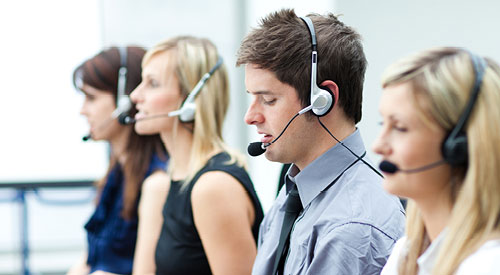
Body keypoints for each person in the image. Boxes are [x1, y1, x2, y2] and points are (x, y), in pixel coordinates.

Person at [237, 9, 405, 275]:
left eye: (268, 100)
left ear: (322, 100)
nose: (250, 117)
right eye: (252, 97)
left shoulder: (353, 227)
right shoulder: (293, 193)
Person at [129, 35, 264, 275]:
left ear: (191, 99)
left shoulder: (214, 187)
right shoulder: (168, 181)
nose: (135, 96)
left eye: (153, 84)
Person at [373, 47, 500, 275]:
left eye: (400, 128)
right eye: (383, 125)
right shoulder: (406, 254)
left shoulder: (487, 265)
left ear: (458, 146)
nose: (378, 146)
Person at [67, 46, 168, 275]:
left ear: (125, 102)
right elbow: (90, 259)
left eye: (91, 98)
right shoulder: (116, 175)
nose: (83, 111)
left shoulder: (156, 183)